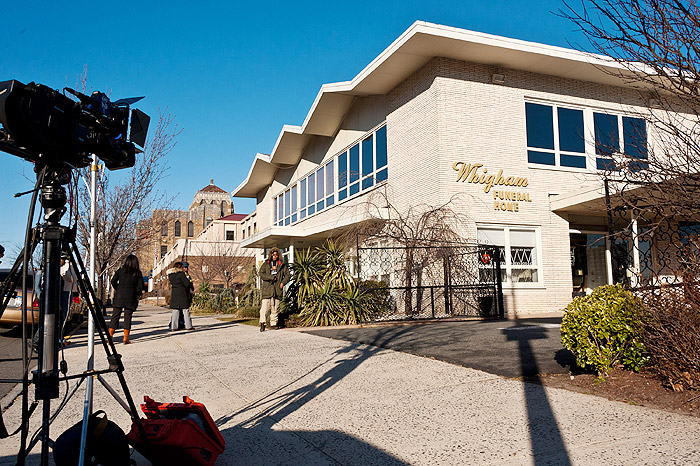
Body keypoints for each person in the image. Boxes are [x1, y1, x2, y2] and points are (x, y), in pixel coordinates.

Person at [108, 255, 144, 344]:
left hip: (119, 295)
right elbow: (140, 287)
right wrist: (136, 293)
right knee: (128, 317)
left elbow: (113, 281)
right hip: (131, 296)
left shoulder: (120, 271)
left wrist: (118, 289)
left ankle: (110, 337)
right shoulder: (137, 273)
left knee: (115, 316)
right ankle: (125, 338)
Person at [258, 247, 289, 332]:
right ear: (270, 255)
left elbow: (287, 275)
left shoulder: (282, 265)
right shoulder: (266, 264)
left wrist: (282, 283)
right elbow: (261, 274)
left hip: (277, 290)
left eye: (276, 255)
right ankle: (262, 323)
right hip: (267, 290)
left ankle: (273, 324)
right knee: (264, 308)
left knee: (275, 308)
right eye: (273, 254)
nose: (274, 256)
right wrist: (271, 277)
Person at [168, 261, 194, 331]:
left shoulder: (171, 275)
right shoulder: (181, 274)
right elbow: (187, 284)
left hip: (175, 295)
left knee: (175, 311)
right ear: (180, 267)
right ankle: (188, 326)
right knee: (185, 310)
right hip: (182, 294)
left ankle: (174, 327)